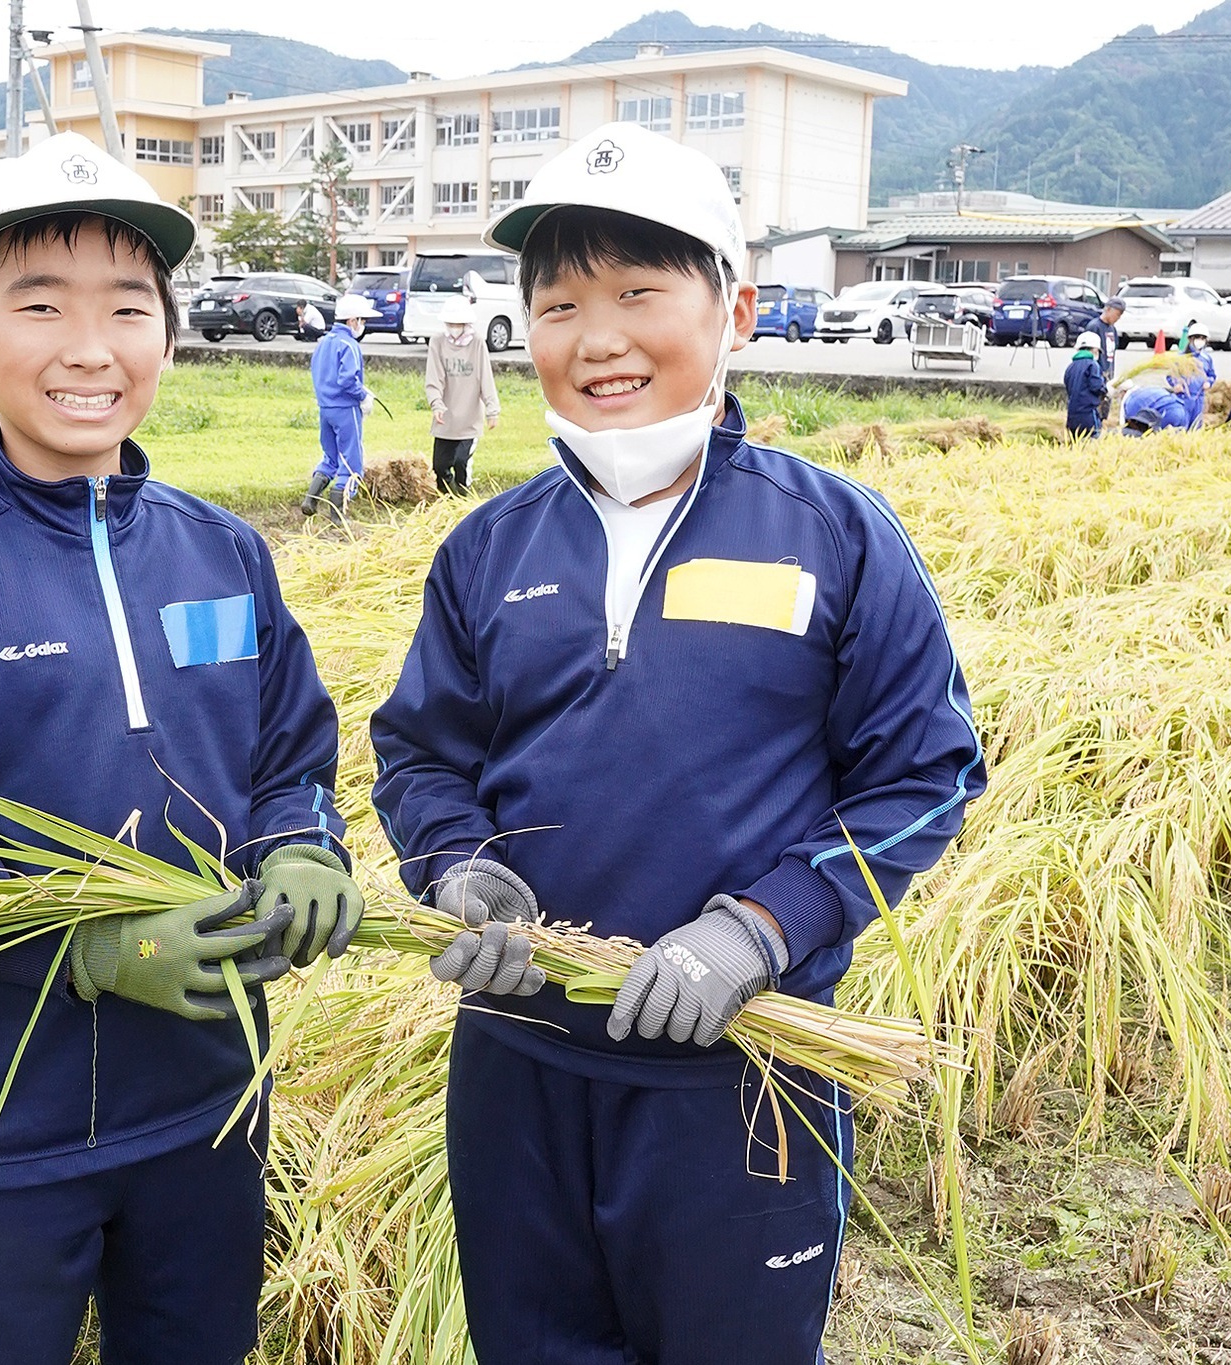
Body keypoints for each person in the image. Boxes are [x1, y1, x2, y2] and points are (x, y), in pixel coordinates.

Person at [369, 122, 984, 1365]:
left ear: (734, 309)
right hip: (519, 1070)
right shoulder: (486, 552)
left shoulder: (832, 534)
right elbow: (420, 755)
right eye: (557, 303)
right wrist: (452, 867)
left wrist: (759, 928)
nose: (596, 337)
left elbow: (922, 777)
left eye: (639, 293)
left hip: (743, 1080)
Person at [0, 131, 363, 1365]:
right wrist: (88, 944)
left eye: (127, 305)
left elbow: (288, 755)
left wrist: (303, 848)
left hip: (208, 1098)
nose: (90, 348)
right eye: (38, 305)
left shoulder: (222, 552)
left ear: (167, 330)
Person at [300, 293, 379, 521]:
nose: (363, 325)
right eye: (362, 320)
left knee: (330, 457)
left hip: (325, 407)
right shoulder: (349, 344)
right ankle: (337, 514)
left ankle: (311, 499)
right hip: (345, 409)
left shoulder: (323, 342)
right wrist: (362, 395)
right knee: (351, 462)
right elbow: (347, 380)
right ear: (352, 320)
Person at [424, 298, 500, 494]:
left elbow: (486, 378)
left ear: (467, 324)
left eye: (458, 324)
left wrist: (492, 410)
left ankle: (463, 499)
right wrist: (437, 405)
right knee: (440, 466)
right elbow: (434, 378)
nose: (454, 328)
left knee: (460, 463)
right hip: (445, 420)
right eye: (451, 324)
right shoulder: (438, 342)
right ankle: (449, 500)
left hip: (469, 419)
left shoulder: (477, 343)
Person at [1064, 331, 1107, 437]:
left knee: (1076, 445)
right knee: (1092, 443)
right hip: (1088, 415)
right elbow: (1096, 387)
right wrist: (1107, 389)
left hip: (1072, 416)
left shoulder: (1070, 367)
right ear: (1095, 349)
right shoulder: (1092, 365)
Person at [1083, 296, 1124, 381]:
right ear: (1108, 309)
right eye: (1117, 314)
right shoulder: (1094, 327)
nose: (1118, 318)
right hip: (1095, 376)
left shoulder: (1112, 329)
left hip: (1108, 375)